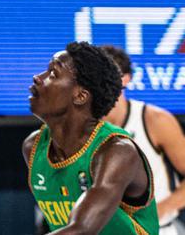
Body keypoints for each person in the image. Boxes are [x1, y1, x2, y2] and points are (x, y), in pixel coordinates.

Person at [24, 42, 159, 232]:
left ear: (80, 96)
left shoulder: (116, 151)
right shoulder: (34, 147)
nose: (37, 78)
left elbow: (82, 229)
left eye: (53, 74)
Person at [103, 46, 185, 232]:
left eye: (108, 75)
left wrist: (159, 211)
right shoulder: (82, 127)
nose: (102, 83)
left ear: (126, 79)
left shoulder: (154, 120)